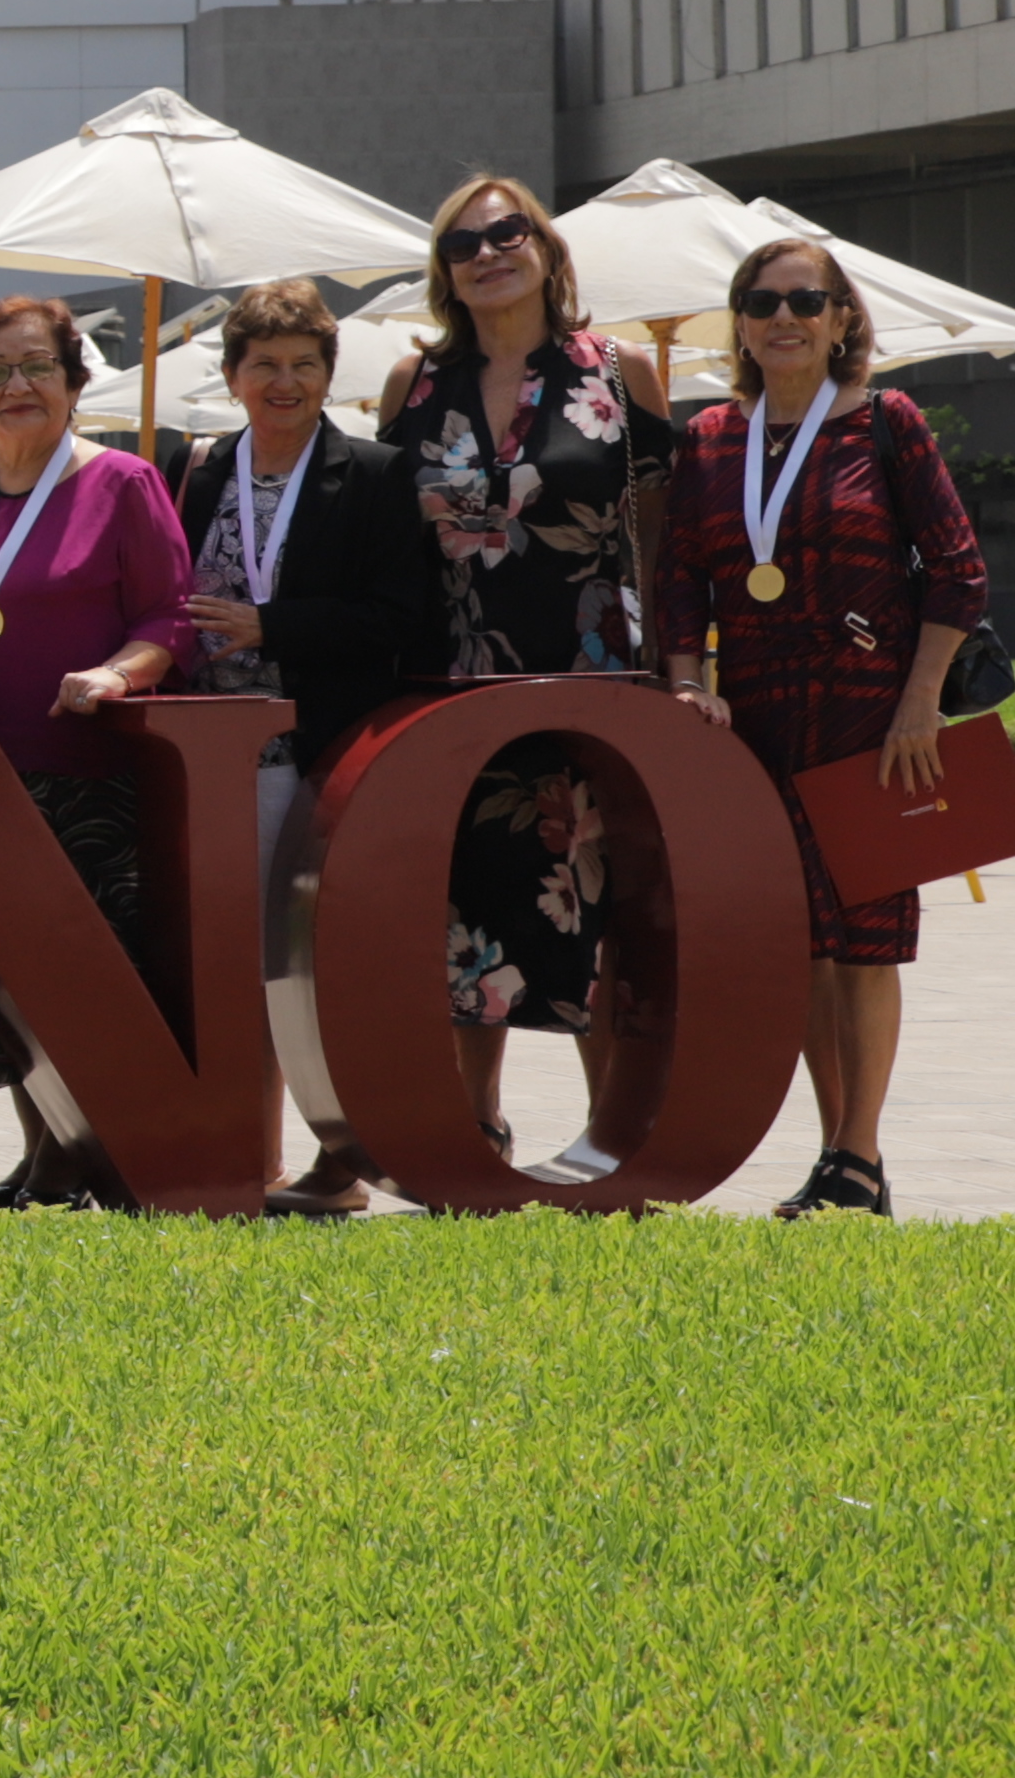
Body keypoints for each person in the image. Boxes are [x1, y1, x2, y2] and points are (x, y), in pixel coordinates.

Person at [654, 233, 987, 1220]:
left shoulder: (888, 420)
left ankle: (860, 1147)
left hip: (874, 717)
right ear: (741, 323)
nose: (784, 319)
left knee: (868, 939)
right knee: (800, 939)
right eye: (762, 303)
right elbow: (679, 580)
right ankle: (846, 1160)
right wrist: (684, 681)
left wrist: (920, 700)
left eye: (807, 301)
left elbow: (960, 571)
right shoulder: (710, 437)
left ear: (843, 317)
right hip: (755, 716)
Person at [380, 170, 668, 1161]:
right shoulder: (414, 384)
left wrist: (678, 667)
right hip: (452, 682)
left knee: (595, 897)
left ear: (546, 249)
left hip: (593, 677)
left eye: (508, 233)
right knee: (469, 901)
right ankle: (477, 1123)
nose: (489, 253)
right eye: (464, 244)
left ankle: (612, 1130)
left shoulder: (619, 371)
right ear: (444, 273)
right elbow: (394, 551)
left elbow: (660, 535)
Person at [0, 294, 201, 1207]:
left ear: (76, 383)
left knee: (83, 978)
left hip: (85, 773)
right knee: (3, 980)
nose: (17, 385)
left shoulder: (121, 482)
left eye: (37, 367)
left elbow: (170, 616)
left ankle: (95, 1156)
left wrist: (118, 672)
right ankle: (48, 1155)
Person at [164, 278, 442, 1213]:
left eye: (304, 366)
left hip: (318, 753)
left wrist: (269, 628)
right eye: (264, 365)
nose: (284, 383)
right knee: (226, 967)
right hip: (207, 760)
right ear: (233, 375)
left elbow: (401, 618)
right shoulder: (196, 468)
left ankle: (342, 1160)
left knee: (308, 968)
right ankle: (247, 1152)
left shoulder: (374, 473)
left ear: (330, 375)